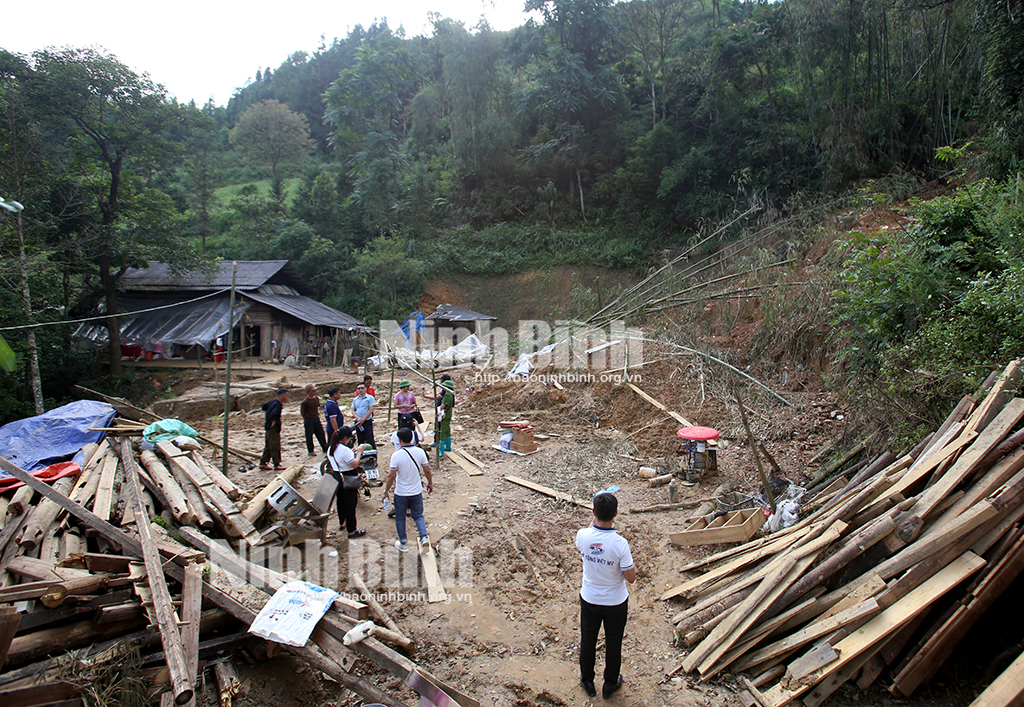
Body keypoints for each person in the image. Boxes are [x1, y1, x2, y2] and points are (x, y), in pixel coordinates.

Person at [576, 492, 635, 699]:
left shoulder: (582, 536)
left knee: (588, 639)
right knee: (613, 642)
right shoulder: (620, 544)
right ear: (616, 514)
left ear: (593, 512)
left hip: (590, 598)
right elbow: (631, 578)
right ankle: (610, 683)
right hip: (615, 602)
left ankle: (587, 680)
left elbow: (586, 548)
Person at [383, 427, 433, 552]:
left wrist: (386, 491)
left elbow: (391, 476)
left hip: (401, 492)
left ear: (399, 440)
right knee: (418, 516)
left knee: (400, 518)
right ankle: (424, 538)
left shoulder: (396, 455)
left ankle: (403, 543)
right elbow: (427, 470)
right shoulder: (420, 452)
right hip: (416, 490)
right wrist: (430, 483)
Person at [326, 426, 367, 539]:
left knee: (341, 501)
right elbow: (354, 464)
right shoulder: (344, 450)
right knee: (350, 504)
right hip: (348, 477)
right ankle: (352, 530)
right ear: (345, 438)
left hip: (336, 475)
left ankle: (342, 522)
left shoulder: (331, 448)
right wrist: (359, 452)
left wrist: (351, 452)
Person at [259, 388, 289, 470]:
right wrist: (273, 421)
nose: (286, 398)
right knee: (274, 445)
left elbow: (263, 407)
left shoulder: (272, 402)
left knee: (268, 445)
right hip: (273, 428)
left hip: (267, 426)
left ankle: (263, 462)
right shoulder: (278, 405)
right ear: (282, 396)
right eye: (286, 396)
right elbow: (274, 414)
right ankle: (277, 463)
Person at [300, 383, 328, 457]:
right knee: (309, 435)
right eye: (313, 391)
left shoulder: (316, 399)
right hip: (309, 419)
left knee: (320, 433)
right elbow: (302, 412)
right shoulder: (305, 402)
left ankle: (324, 447)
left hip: (316, 418)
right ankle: (311, 450)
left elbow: (318, 406)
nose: (314, 392)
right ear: (308, 392)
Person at [352, 382, 377, 449]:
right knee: (360, 439)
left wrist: (363, 419)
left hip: (367, 421)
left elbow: (370, 409)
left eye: (362, 388)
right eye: (358, 388)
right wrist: (358, 418)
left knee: (370, 439)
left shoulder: (370, 398)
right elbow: (353, 410)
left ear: (365, 389)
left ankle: (373, 455)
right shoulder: (355, 399)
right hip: (358, 422)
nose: (360, 390)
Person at [435, 379, 455, 456]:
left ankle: (442, 450)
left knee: (443, 432)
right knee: (447, 431)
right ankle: (448, 446)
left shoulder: (447, 396)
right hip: (448, 414)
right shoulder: (451, 395)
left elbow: (442, 406)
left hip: (445, 415)